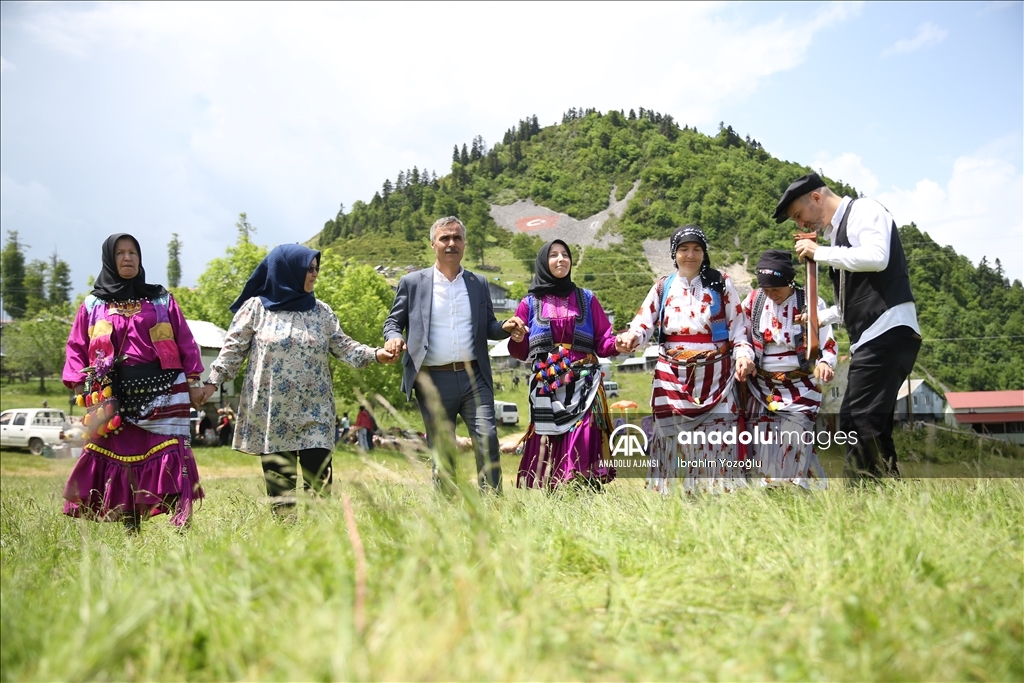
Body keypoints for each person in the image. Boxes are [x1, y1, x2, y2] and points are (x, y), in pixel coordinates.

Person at [198, 244, 396, 511]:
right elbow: (232, 351)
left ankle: (320, 541)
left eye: (317, 268)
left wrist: (376, 354)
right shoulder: (255, 309)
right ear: (288, 270)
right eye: (309, 269)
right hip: (273, 415)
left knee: (320, 488)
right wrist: (210, 384)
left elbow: (344, 346)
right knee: (282, 496)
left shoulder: (321, 311)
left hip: (316, 413)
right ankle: (286, 543)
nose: (315, 274)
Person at [777, 173, 920, 479]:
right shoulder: (837, 236)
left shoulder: (865, 211)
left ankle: (864, 499)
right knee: (864, 421)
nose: (801, 226)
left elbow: (878, 257)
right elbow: (857, 300)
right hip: (874, 335)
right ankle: (886, 495)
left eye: (799, 216)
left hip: (889, 330)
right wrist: (821, 318)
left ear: (816, 198)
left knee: (860, 421)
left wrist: (821, 254)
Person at [61, 233, 205, 530]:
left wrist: (193, 380)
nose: (128, 258)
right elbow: (76, 345)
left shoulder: (162, 299)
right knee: (121, 459)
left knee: (172, 452)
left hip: (164, 390)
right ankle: (131, 530)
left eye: (133, 253)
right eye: (120, 253)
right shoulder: (93, 304)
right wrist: (78, 383)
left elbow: (185, 341)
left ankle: (183, 527)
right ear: (109, 260)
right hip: (112, 394)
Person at [383, 215, 520, 491]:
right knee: (443, 453)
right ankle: (447, 516)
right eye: (444, 238)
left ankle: (492, 508)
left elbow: (488, 326)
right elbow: (393, 322)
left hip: (474, 378)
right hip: (433, 381)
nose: (451, 243)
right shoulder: (412, 282)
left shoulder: (477, 282)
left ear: (464, 243)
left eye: (457, 237)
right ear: (433, 243)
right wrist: (394, 337)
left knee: (487, 440)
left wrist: (505, 327)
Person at [615, 226, 754, 493]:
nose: (690, 255)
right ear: (674, 253)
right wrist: (632, 337)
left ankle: (719, 496)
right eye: (683, 249)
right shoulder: (663, 287)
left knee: (717, 439)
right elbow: (644, 323)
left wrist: (743, 355)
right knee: (670, 438)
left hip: (717, 378)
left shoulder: (721, 283)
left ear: (704, 252)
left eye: (697, 249)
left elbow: (739, 328)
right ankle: (674, 497)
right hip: (671, 378)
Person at [507, 240, 619, 489]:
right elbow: (521, 349)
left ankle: (587, 492)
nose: (561, 259)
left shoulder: (587, 298)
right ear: (543, 263)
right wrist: (516, 336)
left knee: (586, 432)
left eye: (565, 255)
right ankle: (556, 496)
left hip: (585, 384)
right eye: (554, 255)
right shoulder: (530, 302)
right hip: (548, 383)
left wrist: (619, 343)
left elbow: (603, 340)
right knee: (551, 440)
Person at [742, 250, 837, 488]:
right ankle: (793, 492)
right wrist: (744, 357)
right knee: (765, 442)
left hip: (801, 387)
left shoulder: (810, 302)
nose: (772, 295)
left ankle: (786, 489)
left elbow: (828, 343)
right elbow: (740, 337)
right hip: (762, 389)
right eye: (767, 290)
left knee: (795, 437)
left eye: (777, 289)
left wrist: (826, 362)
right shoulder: (753, 301)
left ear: (789, 282)